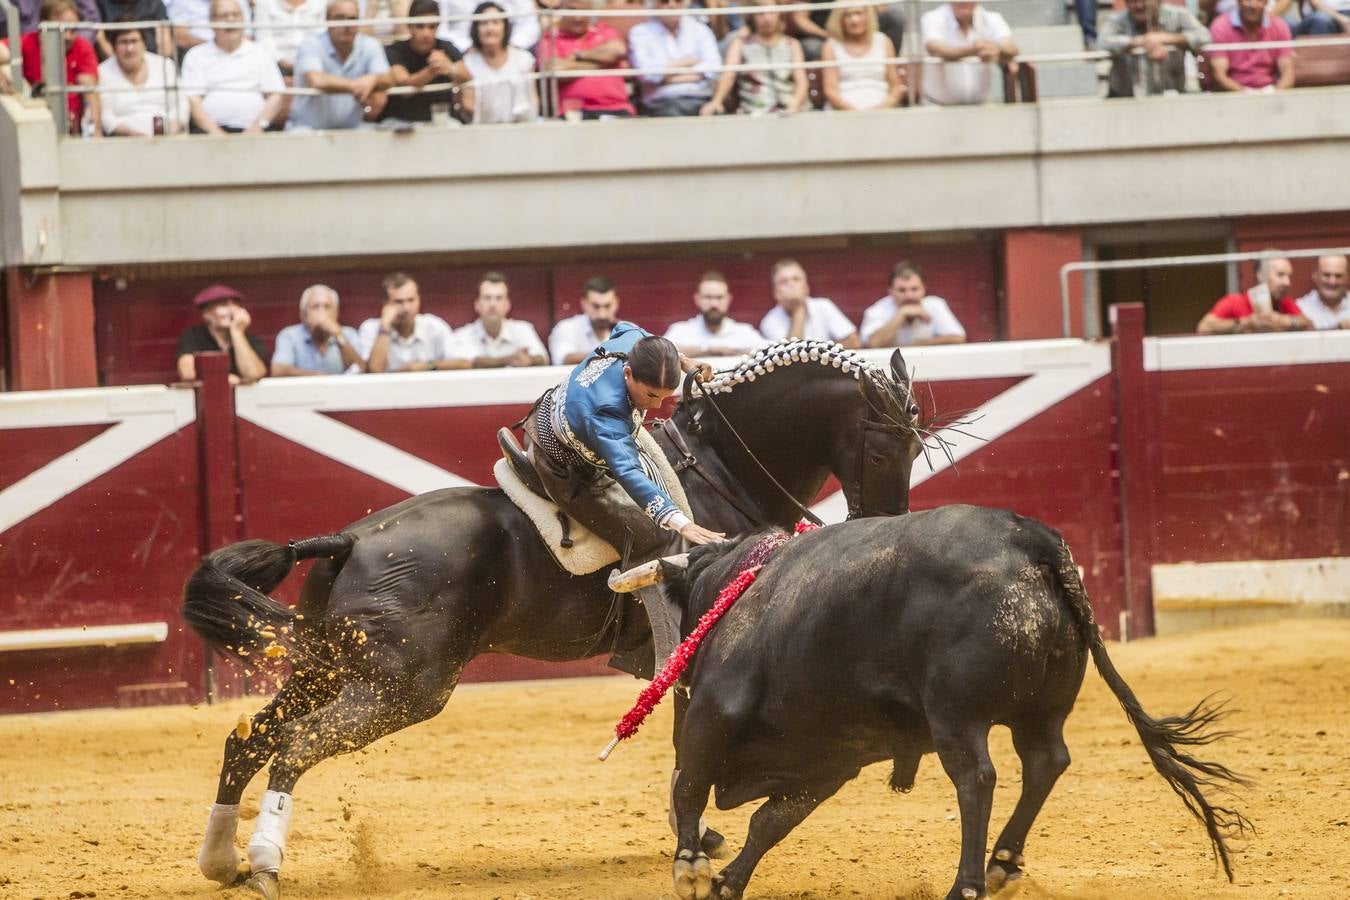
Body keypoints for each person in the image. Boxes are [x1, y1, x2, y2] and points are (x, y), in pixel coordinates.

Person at [521, 323, 725, 558]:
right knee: (653, 536)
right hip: (564, 467)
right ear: (627, 373)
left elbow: (626, 327)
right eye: (650, 395)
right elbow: (628, 470)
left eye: (664, 397)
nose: (657, 406)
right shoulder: (607, 413)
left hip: (561, 415)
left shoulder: (635, 343)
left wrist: (682, 359)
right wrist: (681, 524)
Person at [181, 0, 286, 133]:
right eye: (224, 16)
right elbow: (193, 100)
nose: (231, 20)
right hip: (209, 135)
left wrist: (258, 126)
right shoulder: (196, 56)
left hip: (256, 133)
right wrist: (215, 132)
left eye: (236, 15)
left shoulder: (260, 53)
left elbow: (276, 95)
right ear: (212, 22)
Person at [290, 0, 395, 129]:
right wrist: (357, 86)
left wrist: (373, 79)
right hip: (308, 129)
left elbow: (389, 78)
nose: (347, 24)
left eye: (352, 18)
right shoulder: (311, 45)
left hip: (353, 130)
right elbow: (316, 80)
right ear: (327, 20)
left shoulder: (369, 44)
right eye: (340, 18)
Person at [700, 0, 807, 116]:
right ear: (752, 16)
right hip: (754, 112)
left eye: (771, 13)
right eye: (761, 13)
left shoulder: (792, 44)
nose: (767, 18)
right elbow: (728, 75)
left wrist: (794, 105)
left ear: (779, 14)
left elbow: (801, 81)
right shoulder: (740, 44)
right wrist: (717, 101)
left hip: (790, 111)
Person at [533, 0, 634, 120]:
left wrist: (577, 56)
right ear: (561, 10)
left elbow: (618, 50)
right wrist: (602, 63)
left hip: (616, 109)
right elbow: (554, 69)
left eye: (583, 11)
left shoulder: (604, 31)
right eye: (572, 10)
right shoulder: (549, 38)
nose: (578, 17)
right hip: (572, 113)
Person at [18, 0, 100, 136]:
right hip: (34, 127)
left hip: (72, 131)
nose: (68, 36)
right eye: (62, 30)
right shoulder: (27, 42)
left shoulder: (82, 47)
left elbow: (90, 94)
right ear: (43, 25)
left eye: (73, 30)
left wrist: (96, 135)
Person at [626, 0, 721, 117]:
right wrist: (689, 63)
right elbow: (646, 74)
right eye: (664, 1)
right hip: (661, 103)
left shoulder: (700, 29)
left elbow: (713, 68)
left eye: (678, 0)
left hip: (701, 100)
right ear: (654, 4)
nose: (672, 5)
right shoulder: (640, 32)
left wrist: (663, 78)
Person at [1098, 0, 1207, 97]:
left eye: (1143, 1)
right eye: (1132, 1)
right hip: (1124, 98)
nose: (1138, 6)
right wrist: (1138, 41)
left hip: (1172, 95)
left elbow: (1204, 36)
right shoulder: (1117, 19)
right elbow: (1101, 42)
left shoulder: (1178, 14)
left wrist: (1167, 38)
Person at [98, 18, 189, 135]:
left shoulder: (165, 65)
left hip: (169, 139)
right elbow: (106, 117)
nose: (129, 49)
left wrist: (170, 132)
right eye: (123, 42)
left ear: (144, 43)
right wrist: (135, 135)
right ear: (113, 46)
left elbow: (181, 105)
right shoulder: (103, 71)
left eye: (134, 41)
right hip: (123, 143)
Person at [358, 272, 462, 372]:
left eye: (411, 300)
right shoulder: (370, 328)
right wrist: (384, 328)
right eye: (399, 302)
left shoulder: (433, 325)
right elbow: (374, 371)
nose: (406, 308)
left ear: (419, 300)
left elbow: (463, 364)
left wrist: (426, 366)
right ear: (386, 304)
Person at [920, 0, 1017, 106]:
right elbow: (936, 49)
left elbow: (1011, 48)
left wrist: (996, 49)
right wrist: (976, 49)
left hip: (981, 107)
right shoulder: (932, 18)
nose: (963, 2)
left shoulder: (992, 18)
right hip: (937, 107)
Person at [382, 0, 464, 124]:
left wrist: (450, 68)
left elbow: (468, 76)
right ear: (409, 26)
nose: (426, 33)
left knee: (457, 128)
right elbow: (404, 85)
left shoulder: (446, 47)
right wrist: (433, 69)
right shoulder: (395, 50)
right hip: (401, 121)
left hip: (441, 120)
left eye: (431, 27)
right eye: (420, 26)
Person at [457, 0, 537, 123]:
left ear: (505, 27)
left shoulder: (523, 59)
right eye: (483, 23)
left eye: (496, 22)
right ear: (476, 29)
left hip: (520, 129)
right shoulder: (468, 62)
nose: (490, 29)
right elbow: (468, 106)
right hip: (482, 133)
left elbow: (533, 101)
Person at [449, 272, 549, 367]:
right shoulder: (462, 335)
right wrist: (509, 360)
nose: (493, 304)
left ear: (508, 305)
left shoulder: (523, 329)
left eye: (499, 298)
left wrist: (529, 360)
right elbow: (466, 364)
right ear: (477, 305)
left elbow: (542, 358)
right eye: (487, 298)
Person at [176, 283, 269, 383]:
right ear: (207, 314)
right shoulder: (193, 336)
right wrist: (225, 379)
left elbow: (253, 375)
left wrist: (237, 332)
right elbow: (188, 373)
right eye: (223, 305)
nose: (232, 310)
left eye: (236, 304)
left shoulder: (252, 340)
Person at [861, 261, 967, 347]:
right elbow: (873, 344)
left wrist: (918, 344)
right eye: (902, 290)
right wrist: (901, 314)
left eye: (914, 289)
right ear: (890, 291)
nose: (909, 296)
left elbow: (958, 338)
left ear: (924, 289)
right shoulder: (877, 310)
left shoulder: (935, 305)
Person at [820, 4, 904, 112]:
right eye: (847, 15)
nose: (854, 20)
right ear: (840, 19)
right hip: (842, 113)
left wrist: (883, 108)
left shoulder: (884, 41)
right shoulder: (830, 46)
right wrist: (854, 113)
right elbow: (830, 90)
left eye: (859, 13)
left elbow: (896, 85)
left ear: (868, 16)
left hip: (881, 110)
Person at [758, 259, 860, 346]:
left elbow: (853, 342)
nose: (791, 284)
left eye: (796, 279)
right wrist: (798, 309)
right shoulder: (769, 322)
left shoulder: (823, 305)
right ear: (776, 293)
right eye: (784, 281)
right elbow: (790, 357)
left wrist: (817, 353)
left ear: (806, 287)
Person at [1195, 254, 1306, 334]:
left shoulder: (1285, 303)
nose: (1287, 282)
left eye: (1289, 276)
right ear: (1261, 275)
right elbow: (1204, 327)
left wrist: (1282, 321)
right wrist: (1247, 323)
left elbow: (1309, 324)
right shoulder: (1235, 301)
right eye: (1280, 275)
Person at [664, 271, 767, 356]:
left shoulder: (745, 332)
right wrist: (709, 350)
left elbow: (768, 352)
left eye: (719, 297)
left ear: (728, 299)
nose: (714, 304)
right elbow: (662, 353)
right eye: (708, 297)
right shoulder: (679, 331)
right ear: (697, 299)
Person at [271, 284, 366, 376]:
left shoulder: (349, 334)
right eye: (315, 307)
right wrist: (322, 379)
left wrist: (338, 335)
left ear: (336, 314)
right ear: (303, 315)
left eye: (327, 307)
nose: (321, 312)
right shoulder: (290, 335)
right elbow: (278, 370)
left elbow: (361, 369)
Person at [1207, 0, 1295, 92]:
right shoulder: (1220, 27)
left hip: (1271, 94)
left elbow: (1288, 73)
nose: (1253, 5)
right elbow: (1219, 76)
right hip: (1233, 96)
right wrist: (1246, 93)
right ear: (1238, 1)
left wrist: (1275, 92)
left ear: (1267, 2)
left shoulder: (1280, 26)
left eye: (1259, 0)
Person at [549, 276, 622, 364]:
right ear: (584, 303)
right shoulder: (567, 328)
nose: (602, 314)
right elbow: (563, 359)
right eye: (596, 306)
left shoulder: (628, 329)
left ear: (616, 303)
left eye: (607, 306)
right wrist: (611, 355)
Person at [253, 0, 329, 76]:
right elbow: (263, 38)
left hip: (315, 64)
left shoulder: (322, 3)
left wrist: (307, 63)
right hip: (275, 66)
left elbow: (323, 37)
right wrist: (280, 60)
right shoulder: (264, 3)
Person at [435, 0, 538, 54]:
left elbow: (529, 23)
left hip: (510, 50)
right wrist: (466, 48)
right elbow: (439, 28)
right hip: (460, 53)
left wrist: (511, 46)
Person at [168, 0, 251, 54]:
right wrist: (215, 46)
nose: (230, 19)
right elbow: (180, 38)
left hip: (239, 52)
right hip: (198, 54)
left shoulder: (239, 2)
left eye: (235, 15)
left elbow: (248, 35)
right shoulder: (181, 2)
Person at [1295, 254, 1350, 330]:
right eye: (1326, 275)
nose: (1332, 282)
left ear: (1347, 277)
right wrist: (1339, 328)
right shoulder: (1301, 308)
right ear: (1315, 275)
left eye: (1338, 276)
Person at [95, 0, 168, 56]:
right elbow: (100, 37)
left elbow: (166, 42)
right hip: (115, 62)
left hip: (152, 61)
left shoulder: (153, 3)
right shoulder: (101, 4)